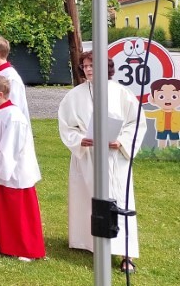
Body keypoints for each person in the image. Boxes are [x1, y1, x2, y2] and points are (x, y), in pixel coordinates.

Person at [58, 51, 144, 272]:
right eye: (85, 66)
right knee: (89, 199)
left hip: (115, 158)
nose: (88, 69)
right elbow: (67, 126)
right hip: (88, 156)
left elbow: (135, 123)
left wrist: (121, 141)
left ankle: (126, 253)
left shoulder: (122, 93)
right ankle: (90, 242)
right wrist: (80, 140)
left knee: (120, 201)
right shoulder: (74, 95)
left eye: (92, 65)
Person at [0, 75, 44, 261]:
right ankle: (1, 241)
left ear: (0, 94)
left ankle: (27, 249)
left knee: (19, 211)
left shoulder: (14, 116)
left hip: (15, 170)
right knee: (2, 208)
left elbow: (10, 148)